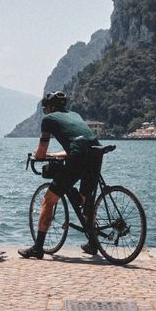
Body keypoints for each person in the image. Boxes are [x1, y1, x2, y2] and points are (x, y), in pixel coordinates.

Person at [18, 90, 102, 259]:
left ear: (49, 107)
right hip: (96, 152)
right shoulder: (75, 115)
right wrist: (57, 155)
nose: (45, 111)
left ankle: (38, 248)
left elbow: (41, 152)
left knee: (48, 201)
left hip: (78, 155)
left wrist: (39, 156)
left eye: (45, 108)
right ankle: (93, 243)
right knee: (86, 201)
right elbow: (79, 143)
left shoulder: (48, 120)